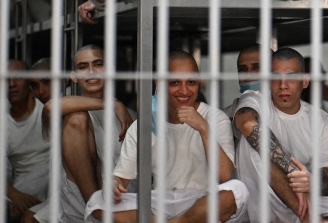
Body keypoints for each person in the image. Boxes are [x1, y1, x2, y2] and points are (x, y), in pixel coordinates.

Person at [85, 51, 248, 222]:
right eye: (175, 82)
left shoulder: (215, 118)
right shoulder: (145, 125)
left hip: (203, 201)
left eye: (191, 82)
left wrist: (203, 128)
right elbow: (122, 179)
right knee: (97, 201)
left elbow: (224, 176)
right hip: (161, 202)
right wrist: (114, 183)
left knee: (237, 190)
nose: (184, 90)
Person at [234, 47, 328, 222]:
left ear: (305, 81)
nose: (283, 85)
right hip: (262, 201)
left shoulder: (322, 120)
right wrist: (293, 173)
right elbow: (246, 123)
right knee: (254, 141)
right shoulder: (255, 100)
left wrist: (309, 183)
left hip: (305, 201)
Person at [33, 44, 133, 223]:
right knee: (76, 118)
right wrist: (111, 104)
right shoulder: (66, 112)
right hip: (80, 212)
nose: (91, 71)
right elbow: (50, 107)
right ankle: (96, 210)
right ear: (74, 77)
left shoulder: (129, 115)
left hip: (121, 206)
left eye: (98, 64)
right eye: (83, 67)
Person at [0, 60, 51, 223]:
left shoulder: (47, 109)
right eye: (6, 80)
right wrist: (16, 196)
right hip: (23, 188)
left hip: (55, 184)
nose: (11, 85)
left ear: (29, 82)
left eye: (18, 78)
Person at [222, 43, 269, 141]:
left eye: (256, 67)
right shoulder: (223, 116)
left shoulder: (286, 111)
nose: (248, 75)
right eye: (243, 69)